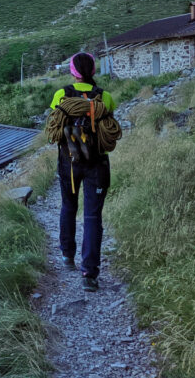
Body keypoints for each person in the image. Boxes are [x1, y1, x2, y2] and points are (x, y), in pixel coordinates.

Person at [49, 51, 117, 292]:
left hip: (69, 162)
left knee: (68, 205)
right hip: (97, 163)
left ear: (73, 72)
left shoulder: (62, 94)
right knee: (92, 216)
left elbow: (54, 124)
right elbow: (109, 122)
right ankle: (89, 274)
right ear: (93, 72)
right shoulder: (104, 97)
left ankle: (68, 255)